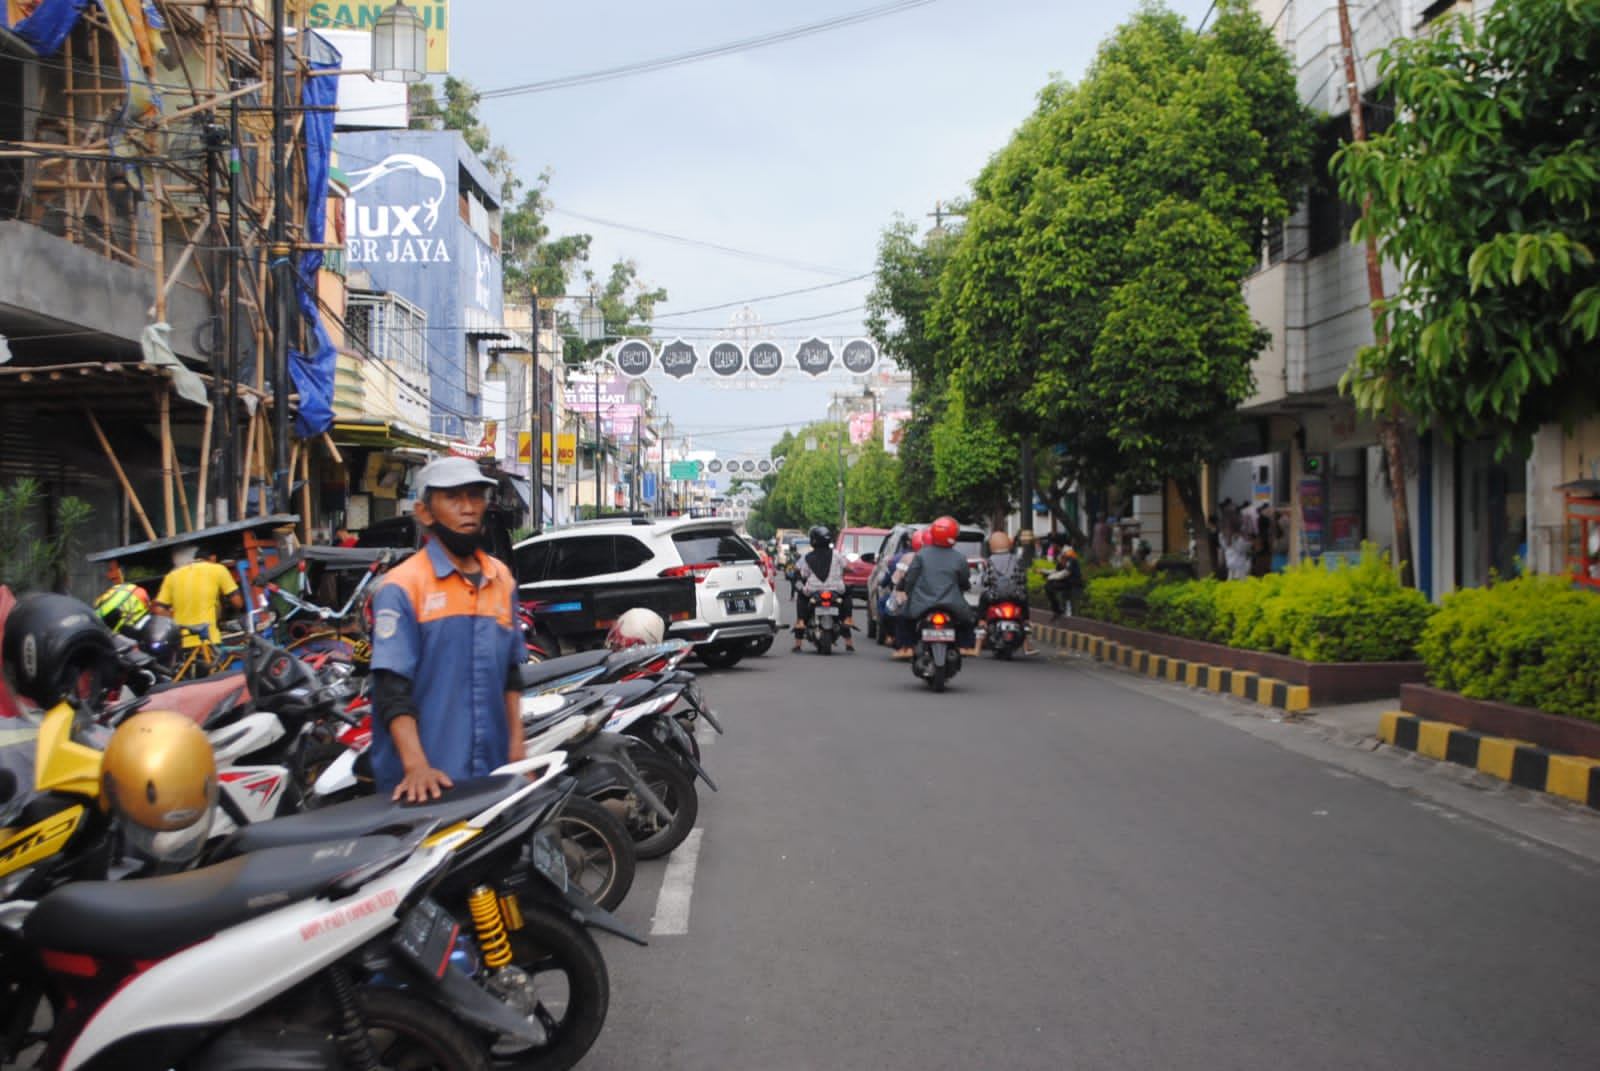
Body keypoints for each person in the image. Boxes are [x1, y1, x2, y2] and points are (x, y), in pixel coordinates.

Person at [367, 456, 527, 803]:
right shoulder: (402, 587)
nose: (468, 508)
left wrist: (517, 748)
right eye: (453, 498)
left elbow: (510, 675)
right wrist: (416, 766)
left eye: (475, 497)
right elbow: (391, 688)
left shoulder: (500, 578)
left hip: (492, 771)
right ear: (426, 513)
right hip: (426, 783)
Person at [896, 515, 977, 657]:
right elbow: (964, 580)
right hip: (953, 604)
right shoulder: (959, 557)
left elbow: (911, 578)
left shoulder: (921, 555)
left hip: (921, 604)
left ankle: (907, 648)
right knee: (969, 618)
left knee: (903, 616)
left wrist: (907, 591)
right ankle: (965, 646)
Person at [151, 545, 244, 649]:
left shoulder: (172, 576)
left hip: (182, 641)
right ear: (213, 558)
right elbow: (238, 602)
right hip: (208, 638)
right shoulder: (218, 569)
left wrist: (175, 617)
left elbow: (158, 609)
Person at [793, 524, 854, 653]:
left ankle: (801, 622)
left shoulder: (807, 557)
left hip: (813, 590)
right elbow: (848, 567)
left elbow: (803, 573)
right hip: (836, 590)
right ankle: (848, 619)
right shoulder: (837, 555)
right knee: (848, 593)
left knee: (801, 597)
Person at [980, 530, 1039, 656]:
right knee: (1024, 602)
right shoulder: (1016, 559)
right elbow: (1022, 578)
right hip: (1015, 596)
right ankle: (1027, 625)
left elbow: (985, 580)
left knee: (982, 599)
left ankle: (981, 623)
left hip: (995, 596)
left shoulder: (990, 561)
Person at [1044, 546, 1083, 617]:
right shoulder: (1062, 560)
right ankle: (1058, 608)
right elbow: (1056, 571)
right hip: (1066, 582)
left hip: (1074, 584)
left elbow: (1066, 573)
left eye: (1064, 553)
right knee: (1049, 586)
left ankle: (1068, 612)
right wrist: (1044, 571)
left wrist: (1051, 577)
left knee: (1068, 596)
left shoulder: (1072, 560)